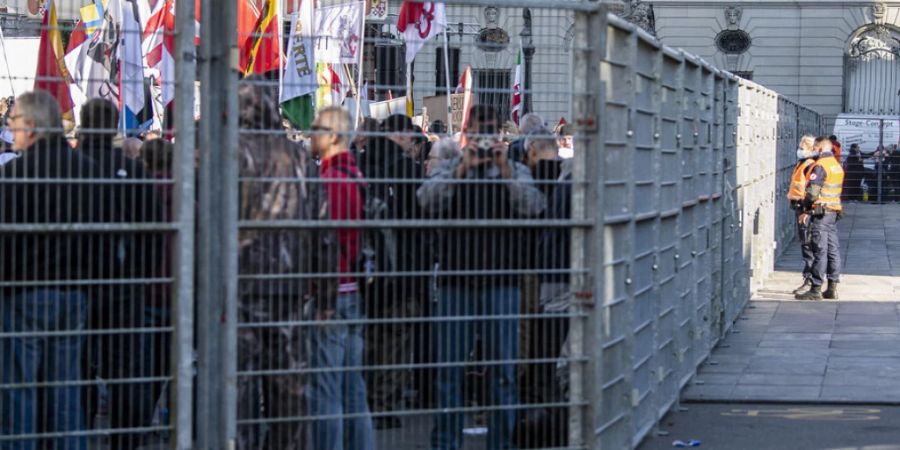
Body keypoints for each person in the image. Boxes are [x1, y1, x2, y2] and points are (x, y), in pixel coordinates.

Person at [418, 104, 546, 450]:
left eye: (490, 133)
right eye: (478, 133)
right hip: (456, 283)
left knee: (504, 374)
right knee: (449, 374)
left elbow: (533, 206)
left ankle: (501, 444)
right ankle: (446, 444)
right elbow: (426, 200)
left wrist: (504, 170)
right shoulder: (450, 167)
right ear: (467, 135)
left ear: (500, 137)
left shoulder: (515, 171)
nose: (484, 140)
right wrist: (462, 168)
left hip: (502, 284)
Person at [0, 90, 101, 450]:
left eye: (13, 125)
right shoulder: (88, 170)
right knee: (65, 389)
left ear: (31, 125)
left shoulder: (16, 174)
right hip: (75, 293)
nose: (11, 133)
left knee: (19, 390)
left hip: (25, 292)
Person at [76, 98, 162, 449]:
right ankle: (125, 442)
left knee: (77, 369)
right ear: (113, 126)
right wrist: (137, 274)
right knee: (125, 373)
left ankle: (76, 435)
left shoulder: (73, 168)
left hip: (79, 284)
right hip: (123, 287)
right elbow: (155, 229)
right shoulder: (132, 172)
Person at [235, 81, 313, 450]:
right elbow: (322, 226)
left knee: (239, 385)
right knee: (287, 385)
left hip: (240, 286)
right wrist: (324, 292)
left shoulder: (229, 152)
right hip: (288, 285)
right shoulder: (298, 157)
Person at [307, 106, 375, 450]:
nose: (310, 134)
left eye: (316, 128)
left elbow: (325, 244)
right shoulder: (355, 177)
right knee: (351, 388)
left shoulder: (330, 181)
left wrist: (321, 300)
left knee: (326, 390)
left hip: (332, 296)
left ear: (332, 136)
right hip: (352, 292)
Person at [358, 113, 426, 430]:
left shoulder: (359, 167)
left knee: (367, 342)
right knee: (397, 346)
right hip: (404, 273)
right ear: (398, 136)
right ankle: (384, 406)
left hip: (364, 273)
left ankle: (363, 404)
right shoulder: (408, 171)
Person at [517, 129, 568, 448]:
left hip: (539, 273)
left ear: (533, 150)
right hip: (564, 274)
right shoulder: (569, 177)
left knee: (535, 344)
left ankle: (539, 410)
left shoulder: (530, 178)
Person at [795, 137, 844, 301]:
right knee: (832, 250)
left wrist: (805, 209)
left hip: (820, 213)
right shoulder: (836, 165)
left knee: (819, 250)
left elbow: (813, 192)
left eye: (815, 147)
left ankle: (816, 289)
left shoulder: (821, 166)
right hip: (833, 212)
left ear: (820, 148)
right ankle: (832, 287)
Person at [787, 135, 818, 296]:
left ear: (813, 149)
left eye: (804, 146)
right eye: (800, 145)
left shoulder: (809, 164)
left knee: (808, 245)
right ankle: (810, 279)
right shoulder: (803, 163)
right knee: (806, 244)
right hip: (801, 208)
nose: (800, 148)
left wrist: (806, 211)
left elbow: (812, 191)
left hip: (805, 210)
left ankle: (810, 280)